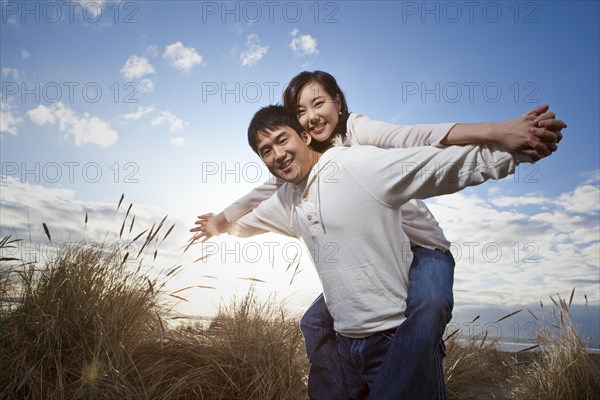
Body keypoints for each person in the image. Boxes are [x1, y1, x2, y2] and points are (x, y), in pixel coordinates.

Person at [190, 71, 566, 399]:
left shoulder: (359, 141)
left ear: (333, 105)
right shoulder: (292, 188)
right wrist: (222, 222)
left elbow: (424, 147)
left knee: (427, 308)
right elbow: (263, 197)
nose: (312, 116)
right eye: (266, 150)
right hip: (378, 266)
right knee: (316, 322)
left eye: (317, 103)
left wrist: (506, 142)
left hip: (426, 249)